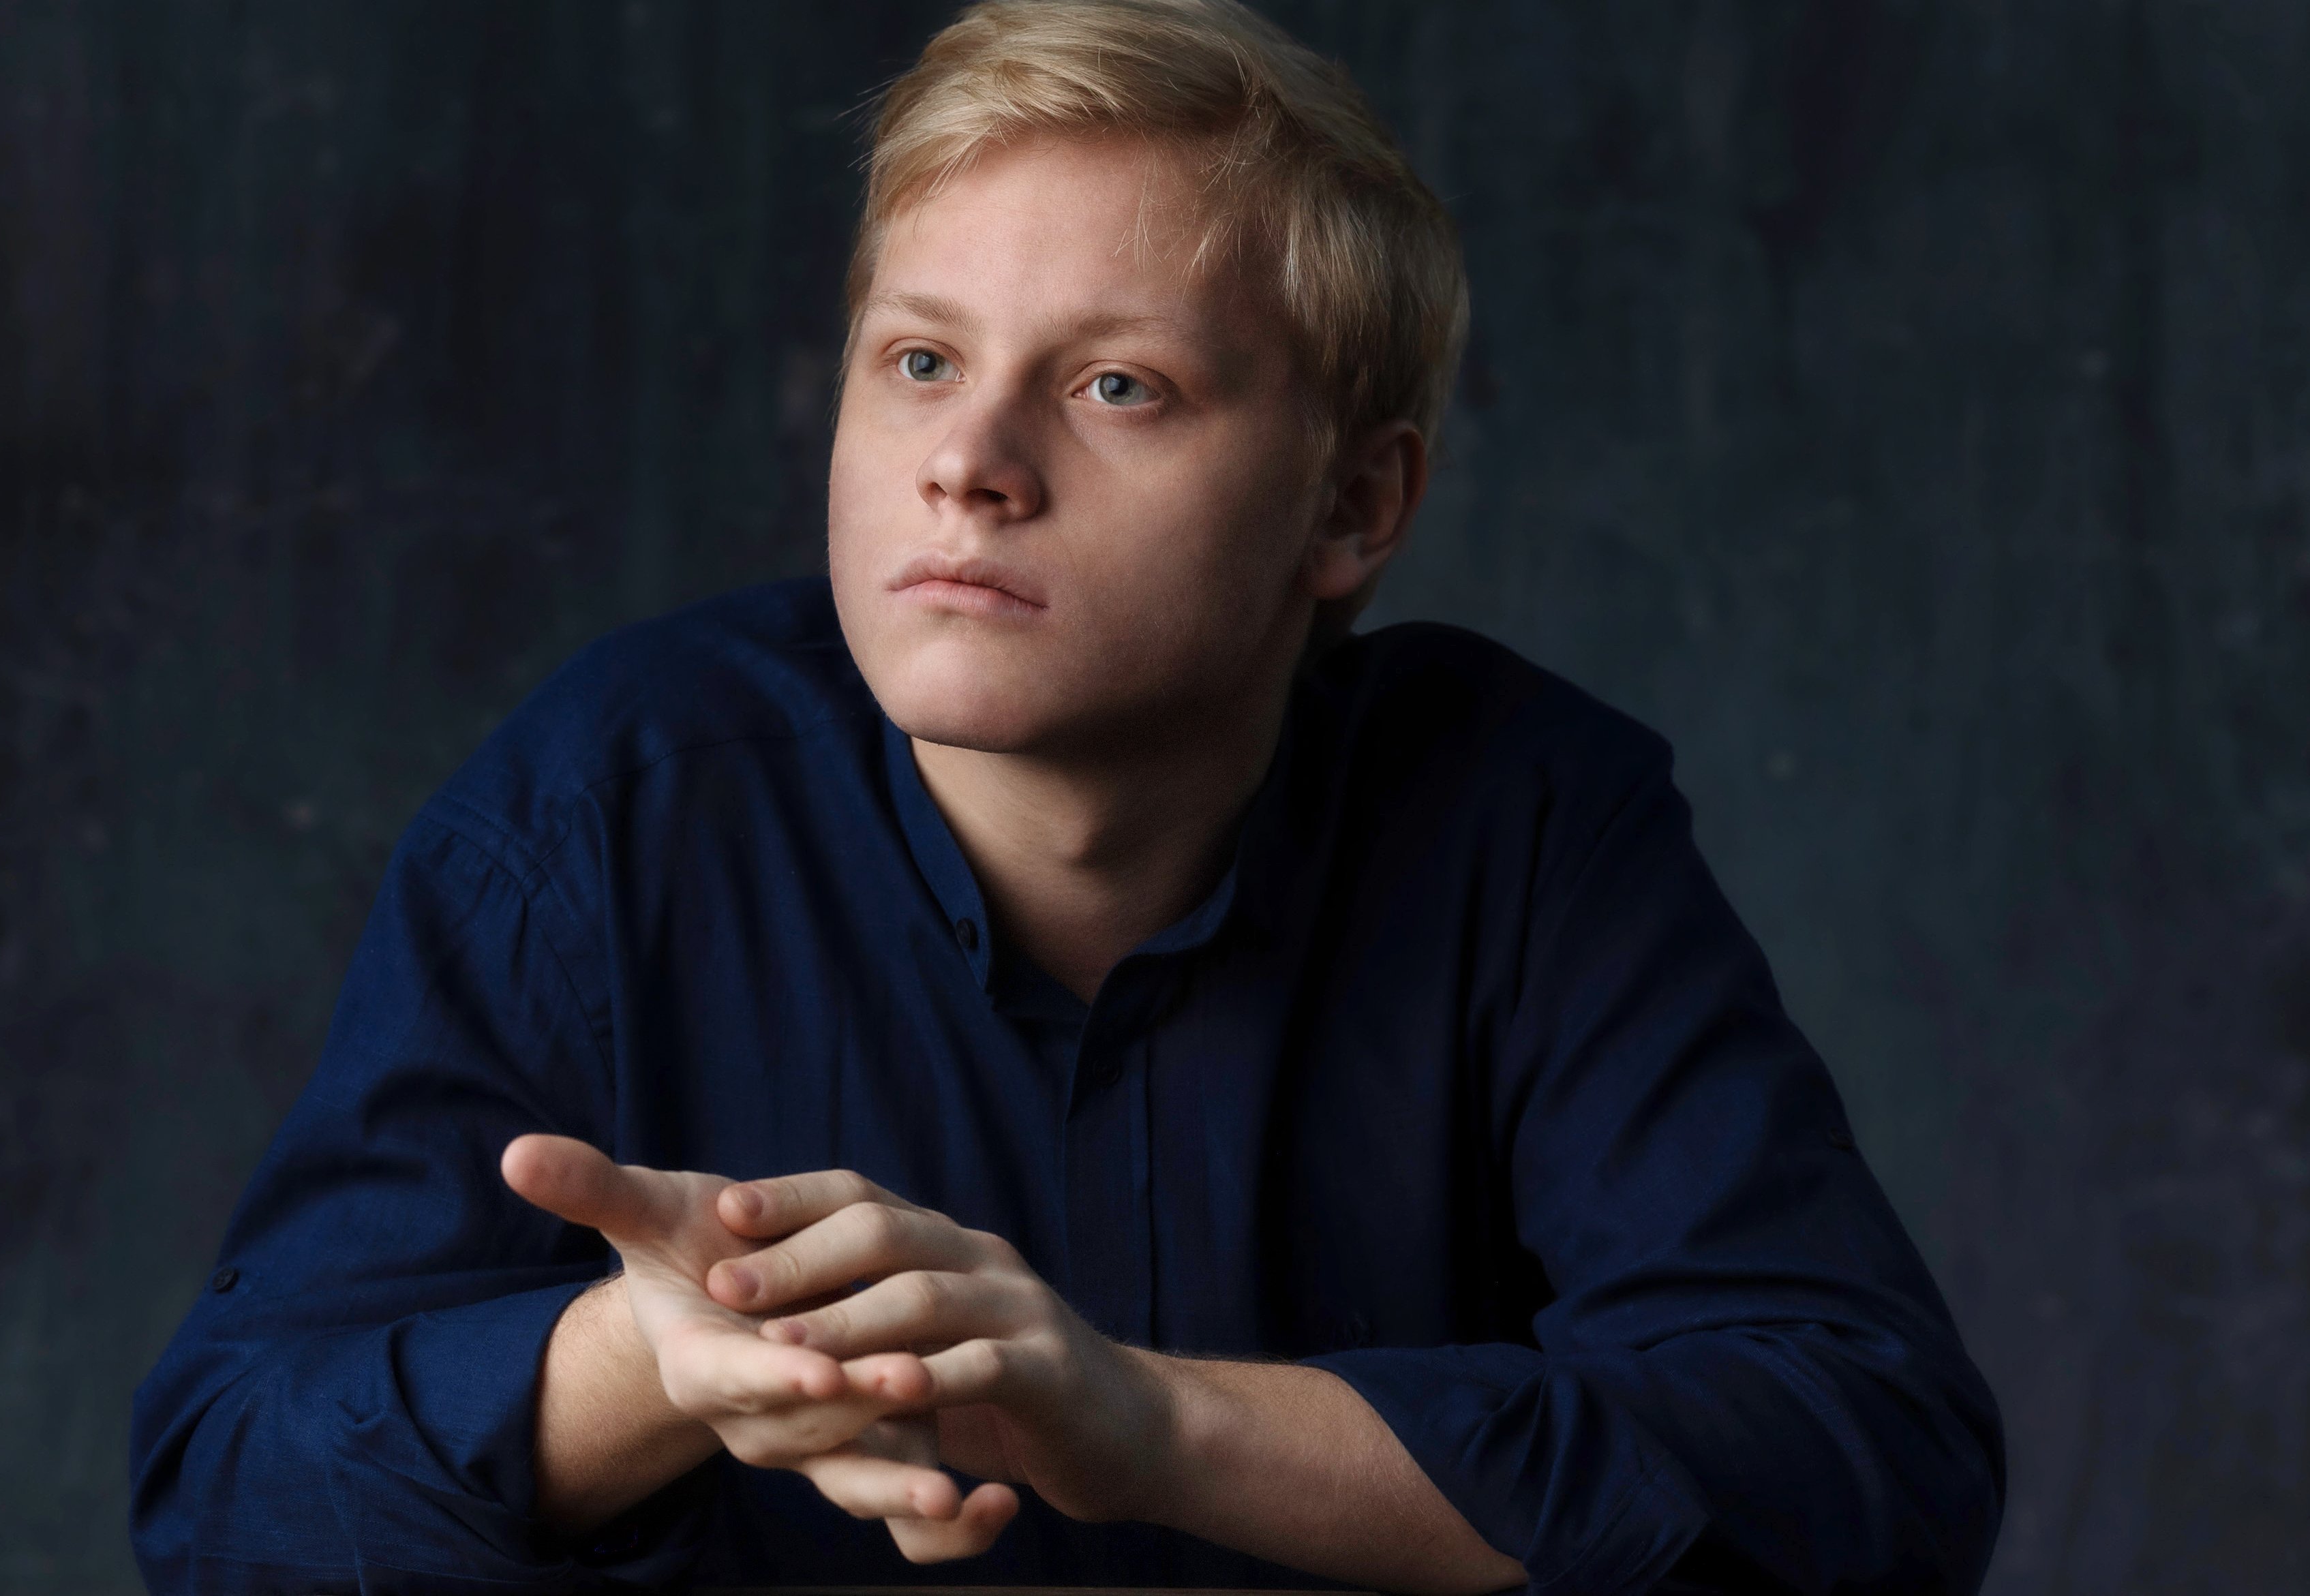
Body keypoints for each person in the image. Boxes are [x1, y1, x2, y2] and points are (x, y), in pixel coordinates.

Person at [127, 0, 2005, 1590]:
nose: (971, 465)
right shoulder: (612, 803)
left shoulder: (1525, 819)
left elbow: (1868, 1463)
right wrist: (646, 1364)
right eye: (922, 361)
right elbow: (219, 1499)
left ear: (1356, 507)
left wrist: (1150, 1424)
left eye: (1118, 386)